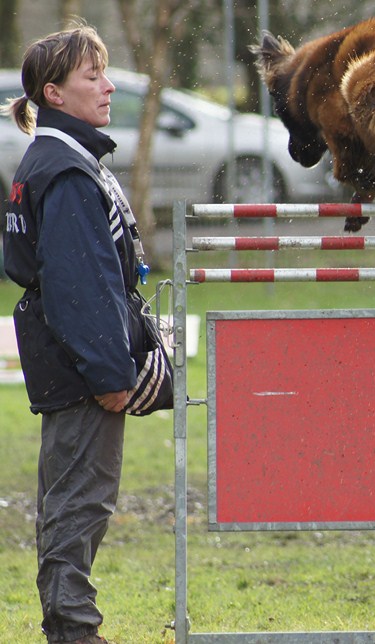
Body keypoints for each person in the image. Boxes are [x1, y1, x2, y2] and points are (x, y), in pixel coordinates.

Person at [3, 22, 152, 644]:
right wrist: (110, 374)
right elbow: (78, 285)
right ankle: (72, 631)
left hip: (71, 361)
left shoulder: (60, 158)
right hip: (81, 369)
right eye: (94, 76)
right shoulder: (64, 169)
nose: (109, 86)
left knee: (75, 501)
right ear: (54, 93)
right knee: (78, 505)